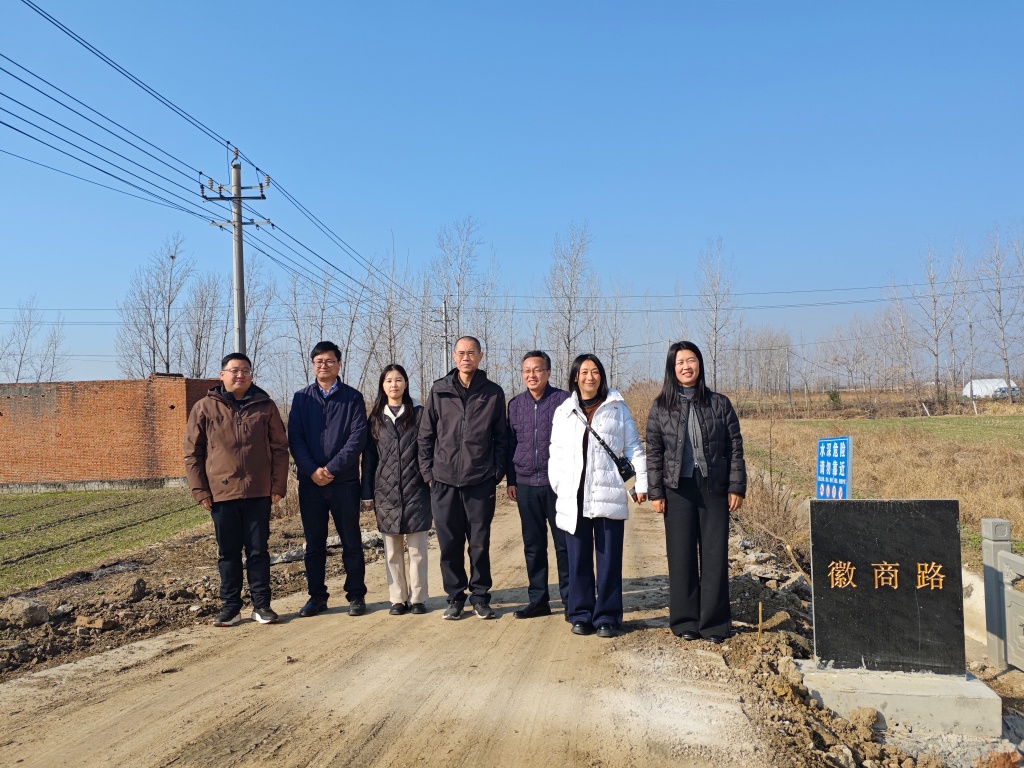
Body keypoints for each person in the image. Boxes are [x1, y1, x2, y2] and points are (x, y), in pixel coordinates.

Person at [646, 341, 746, 644]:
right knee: (681, 555)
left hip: (713, 486)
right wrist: (656, 492)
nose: (686, 366)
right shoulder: (661, 406)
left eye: (691, 360)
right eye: (680, 362)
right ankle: (685, 620)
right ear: (672, 369)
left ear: (699, 365)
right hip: (677, 488)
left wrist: (736, 486)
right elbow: (654, 452)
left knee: (715, 555)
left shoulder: (719, 403)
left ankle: (715, 623)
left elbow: (735, 447)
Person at [183, 352, 288, 627]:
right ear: (222, 375)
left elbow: (280, 448)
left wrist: (278, 485)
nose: (240, 375)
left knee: (258, 551)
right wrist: (200, 490)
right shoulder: (205, 408)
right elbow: (192, 454)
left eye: (245, 371)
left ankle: (261, 606)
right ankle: (230, 607)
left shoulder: (265, 406)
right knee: (228, 553)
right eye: (234, 370)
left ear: (251, 375)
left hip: (258, 491)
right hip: (221, 493)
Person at [548, 353, 647, 639]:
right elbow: (556, 452)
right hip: (574, 496)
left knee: (609, 560)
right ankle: (580, 614)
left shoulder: (617, 408)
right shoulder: (564, 411)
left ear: (601, 376)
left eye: (595, 372)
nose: (589, 377)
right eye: (584, 372)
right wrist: (559, 484)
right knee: (577, 559)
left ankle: (608, 616)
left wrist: (640, 485)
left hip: (608, 493)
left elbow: (633, 448)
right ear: (575, 377)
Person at [419, 335, 508, 620]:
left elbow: (502, 438)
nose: (466, 357)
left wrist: (496, 473)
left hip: (480, 480)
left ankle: (480, 596)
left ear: (481, 357)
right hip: (443, 480)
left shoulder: (493, 393)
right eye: (461, 353)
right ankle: (455, 597)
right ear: (454, 357)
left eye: (471, 353)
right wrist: (428, 473)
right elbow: (425, 435)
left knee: (479, 543)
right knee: (449, 543)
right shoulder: (439, 390)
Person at [288, 341, 369, 618]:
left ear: (339, 364)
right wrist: (312, 470)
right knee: (314, 544)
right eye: (319, 361)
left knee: (351, 541)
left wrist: (332, 468)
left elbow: (357, 438)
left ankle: (356, 595)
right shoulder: (301, 398)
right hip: (310, 484)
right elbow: (295, 438)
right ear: (313, 365)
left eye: (329, 361)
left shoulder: (353, 398)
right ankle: (316, 597)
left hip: (344, 482)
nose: (324, 365)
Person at [361, 364, 432, 615]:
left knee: (418, 550)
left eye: (398, 379)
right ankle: (397, 599)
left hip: (417, 490)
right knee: (392, 551)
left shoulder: (419, 414)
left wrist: (430, 480)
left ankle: (418, 599)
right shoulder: (375, 418)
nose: (394, 385)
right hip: (386, 492)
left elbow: (427, 450)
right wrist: (367, 492)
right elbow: (369, 458)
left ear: (406, 383)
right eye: (389, 380)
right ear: (383, 385)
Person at [506, 350, 570, 619]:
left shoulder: (564, 400)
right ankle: (538, 600)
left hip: (557, 484)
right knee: (533, 546)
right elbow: (510, 444)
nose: (531, 375)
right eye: (526, 371)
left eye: (537, 370)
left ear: (548, 372)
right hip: (526, 486)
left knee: (564, 545)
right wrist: (511, 480)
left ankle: (571, 601)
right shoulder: (515, 405)